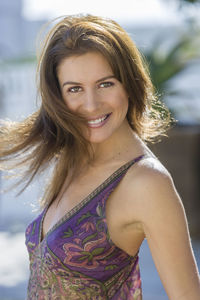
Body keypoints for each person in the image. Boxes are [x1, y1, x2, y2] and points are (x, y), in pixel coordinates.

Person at [0, 14, 200, 300]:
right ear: (59, 96)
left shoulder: (147, 182)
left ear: (129, 85)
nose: (91, 105)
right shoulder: (76, 158)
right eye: (75, 89)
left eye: (106, 84)